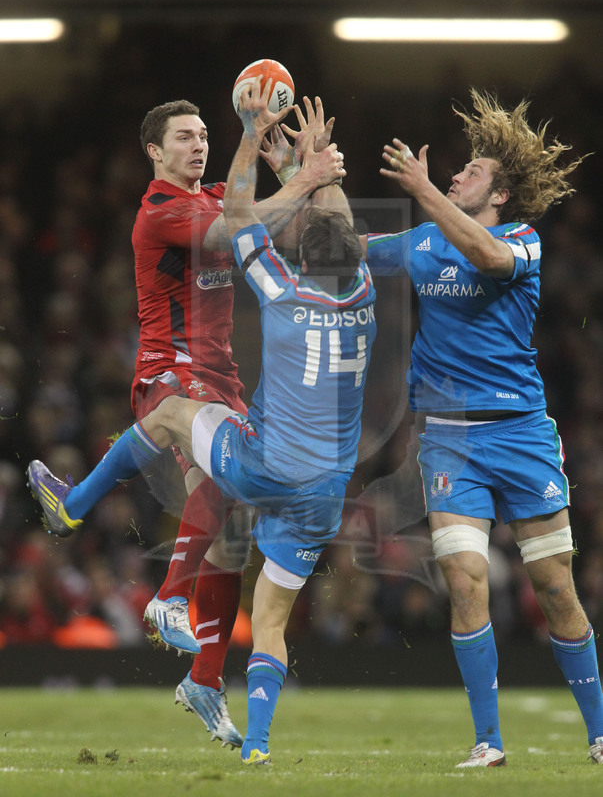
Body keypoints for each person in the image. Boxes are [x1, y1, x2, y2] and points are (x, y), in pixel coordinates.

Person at [29, 75, 374, 765]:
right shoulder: (159, 209)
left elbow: (267, 215)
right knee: (208, 479)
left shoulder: (217, 192)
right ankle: (155, 592)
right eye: (184, 137)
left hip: (220, 379)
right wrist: (292, 169)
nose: (198, 144)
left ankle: (204, 678)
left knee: (231, 531)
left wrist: (292, 162)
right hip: (168, 374)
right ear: (154, 152)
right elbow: (237, 228)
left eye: (204, 135)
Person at [362, 88, 603, 767]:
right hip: (449, 439)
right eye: (452, 171)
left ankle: (599, 734)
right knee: (464, 577)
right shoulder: (420, 242)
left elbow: (486, 259)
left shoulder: (520, 241)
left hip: (520, 433)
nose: (454, 175)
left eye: (469, 172)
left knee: (554, 587)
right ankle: (487, 741)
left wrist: (419, 190)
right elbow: (344, 250)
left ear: (499, 195)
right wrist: (305, 180)